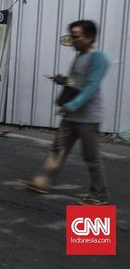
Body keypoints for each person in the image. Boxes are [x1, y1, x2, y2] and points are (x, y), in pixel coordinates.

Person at [22, 20, 110, 206]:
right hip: (71, 115)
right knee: (58, 150)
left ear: (90, 37)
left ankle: (99, 195)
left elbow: (90, 87)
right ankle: (43, 182)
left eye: (76, 36)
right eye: (72, 36)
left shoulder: (98, 58)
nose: (73, 40)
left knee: (91, 158)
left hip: (88, 118)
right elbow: (77, 82)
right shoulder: (79, 57)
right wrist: (63, 80)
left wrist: (71, 105)